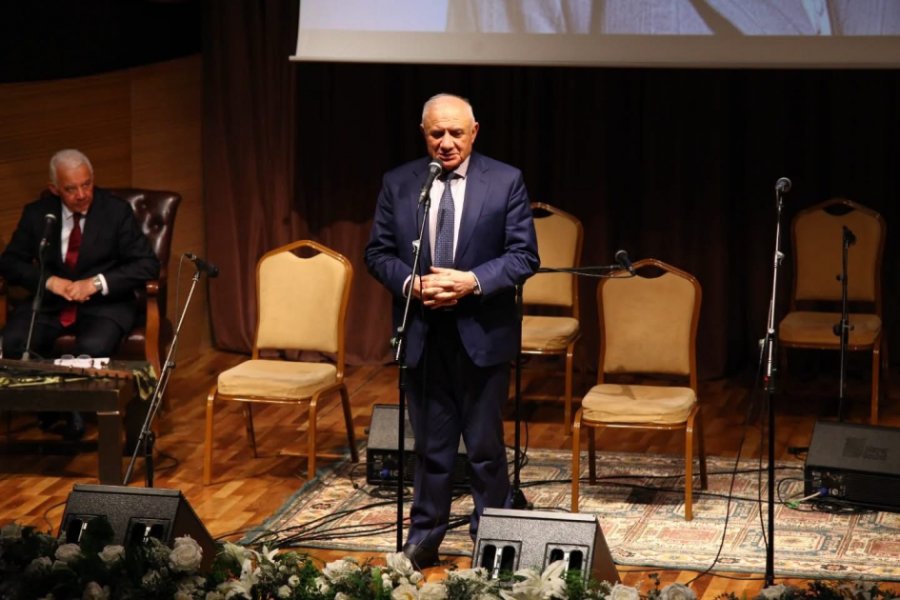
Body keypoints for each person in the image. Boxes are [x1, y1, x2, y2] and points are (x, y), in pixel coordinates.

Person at [365, 93, 539, 567]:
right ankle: (424, 539)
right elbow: (378, 253)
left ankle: (495, 541)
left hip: (481, 333)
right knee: (431, 448)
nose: (446, 143)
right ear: (424, 134)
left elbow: (524, 256)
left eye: (456, 133)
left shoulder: (504, 181)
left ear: (474, 132)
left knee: (484, 448)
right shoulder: (401, 183)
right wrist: (411, 283)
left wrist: (472, 281)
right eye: (436, 133)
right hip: (423, 334)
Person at [0, 149, 160, 438]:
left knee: (94, 346)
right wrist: (50, 282)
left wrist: (96, 283)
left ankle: (75, 410)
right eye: (71, 189)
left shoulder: (115, 211)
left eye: (87, 184)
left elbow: (147, 264)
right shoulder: (38, 214)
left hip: (104, 305)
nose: (82, 194)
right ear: (54, 188)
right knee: (13, 341)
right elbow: (10, 263)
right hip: (50, 304)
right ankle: (55, 409)